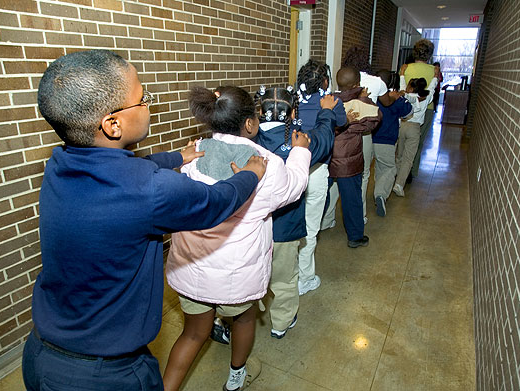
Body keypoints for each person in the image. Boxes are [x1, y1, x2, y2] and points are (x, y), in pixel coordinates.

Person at [22, 50, 267, 391]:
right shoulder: (149, 190)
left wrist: (175, 157)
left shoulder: (60, 163)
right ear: (113, 124)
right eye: (142, 99)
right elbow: (216, 203)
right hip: (106, 376)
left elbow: (129, 169)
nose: (149, 105)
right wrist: (252, 175)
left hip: (40, 356)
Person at [163, 86, 312, 391]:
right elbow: (293, 188)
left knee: (192, 334)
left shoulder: (193, 152)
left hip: (192, 264)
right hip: (236, 269)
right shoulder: (264, 163)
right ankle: (236, 377)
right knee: (243, 320)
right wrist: (301, 151)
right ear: (250, 123)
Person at [254, 86, 337, 338]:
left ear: (259, 111)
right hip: (285, 229)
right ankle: (281, 323)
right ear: (293, 114)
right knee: (285, 279)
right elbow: (324, 138)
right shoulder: (299, 143)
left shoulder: (246, 141)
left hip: (251, 230)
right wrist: (326, 113)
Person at [295, 59, 346, 296]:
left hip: (290, 169)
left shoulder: (290, 99)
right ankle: (304, 278)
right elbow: (343, 122)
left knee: (287, 223)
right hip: (315, 170)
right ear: (325, 81)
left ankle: (285, 273)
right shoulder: (331, 103)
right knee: (310, 227)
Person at [321, 66, 381, 241]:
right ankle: (355, 237)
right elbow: (374, 120)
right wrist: (365, 98)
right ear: (357, 84)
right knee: (351, 199)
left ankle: (314, 228)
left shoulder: (327, 101)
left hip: (328, 157)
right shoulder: (360, 103)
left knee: (320, 197)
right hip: (349, 161)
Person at [342, 46, 397, 222]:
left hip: (343, 130)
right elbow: (386, 102)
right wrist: (395, 96)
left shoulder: (342, 76)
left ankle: (328, 219)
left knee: (339, 173)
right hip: (364, 132)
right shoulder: (377, 82)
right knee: (364, 174)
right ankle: (361, 215)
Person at [393, 64, 439, 197]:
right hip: (414, 129)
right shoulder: (426, 97)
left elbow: (402, 86)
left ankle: (393, 179)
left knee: (399, 156)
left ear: (411, 87)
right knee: (408, 159)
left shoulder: (404, 95)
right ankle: (399, 184)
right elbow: (432, 88)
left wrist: (402, 73)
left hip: (402, 126)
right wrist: (435, 75)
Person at [373, 70, 413, 212]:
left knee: (377, 169)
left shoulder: (371, 94)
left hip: (368, 138)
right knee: (390, 168)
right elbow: (409, 112)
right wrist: (400, 97)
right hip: (386, 140)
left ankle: (376, 194)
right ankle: (380, 195)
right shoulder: (394, 98)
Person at [403, 39, 437, 181]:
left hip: (406, 107)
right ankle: (411, 170)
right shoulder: (433, 70)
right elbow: (432, 89)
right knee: (419, 140)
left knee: (404, 140)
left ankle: (401, 169)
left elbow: (403, 88)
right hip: (426, 109)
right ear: (429, 55)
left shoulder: (405, 68)